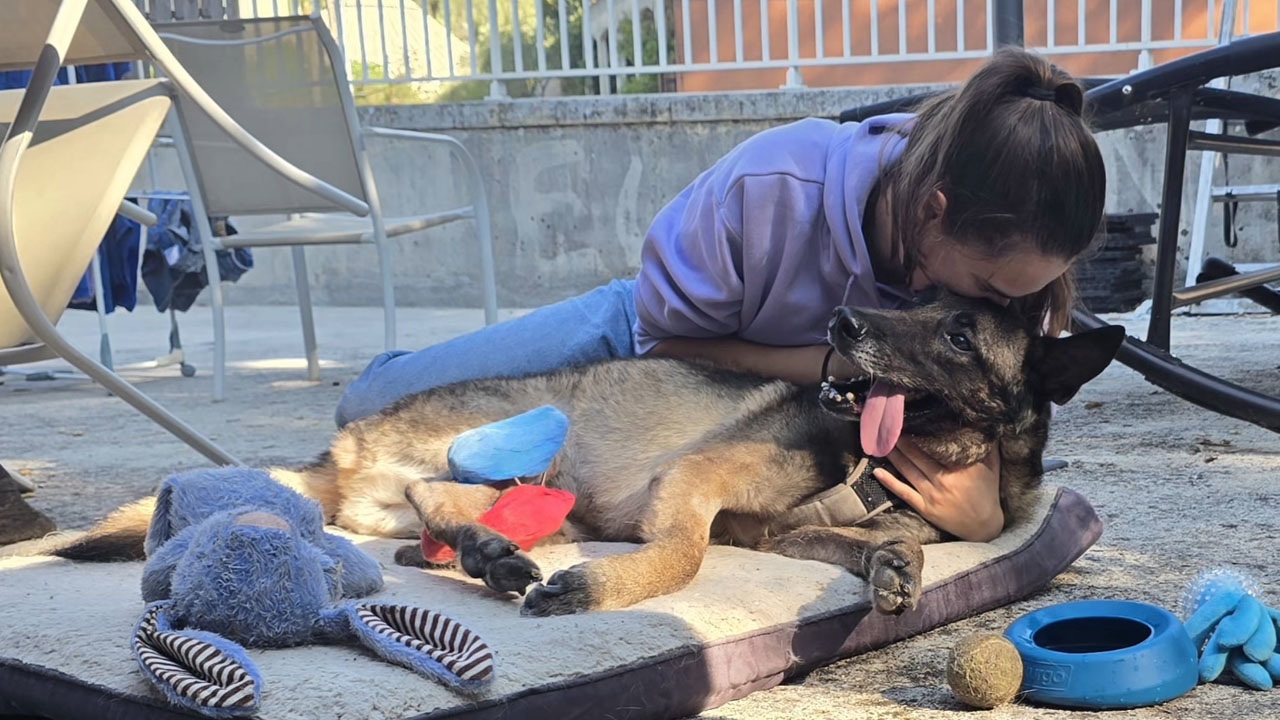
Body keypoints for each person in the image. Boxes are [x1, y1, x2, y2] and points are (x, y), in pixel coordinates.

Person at [334, 47, 1106, 544]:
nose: (1005, 307)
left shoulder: (1011, 284)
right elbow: (667, 343)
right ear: (935, 214)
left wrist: (988, 514)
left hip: (761, 415)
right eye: (985, 287)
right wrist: (827, 369)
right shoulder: (771, 184)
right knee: (371, 407)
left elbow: (1002, 404)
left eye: (1022, 298)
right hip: (647, 343)